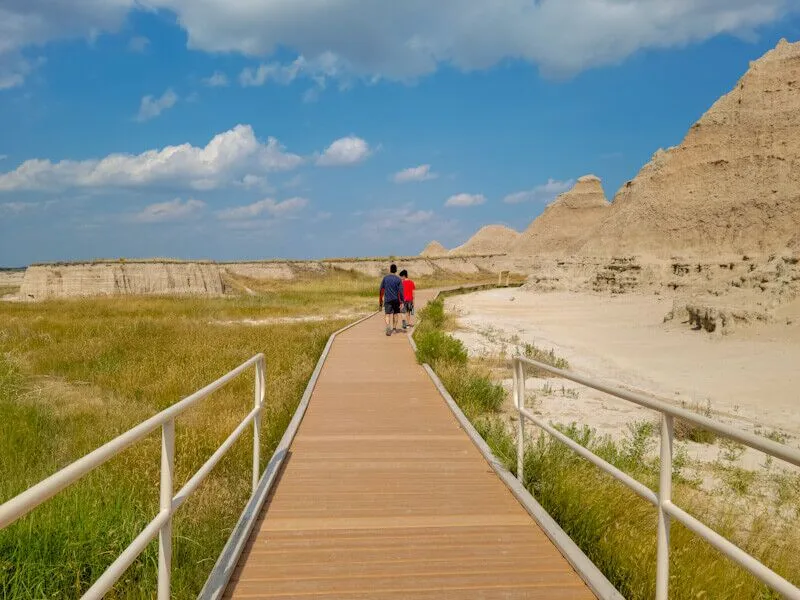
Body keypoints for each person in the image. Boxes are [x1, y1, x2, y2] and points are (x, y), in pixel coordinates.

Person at [379, 264, 404, 336]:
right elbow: (401, 291)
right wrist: (402, 301)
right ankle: (394, 329)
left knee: (387, 314)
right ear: (396, 270)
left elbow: (381, 289)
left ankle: (387, 326)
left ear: (390, 270)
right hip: (396, 300)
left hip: (387, 299)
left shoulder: (385, 278)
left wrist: (381, 299)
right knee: (395, 314)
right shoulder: (398, 279)